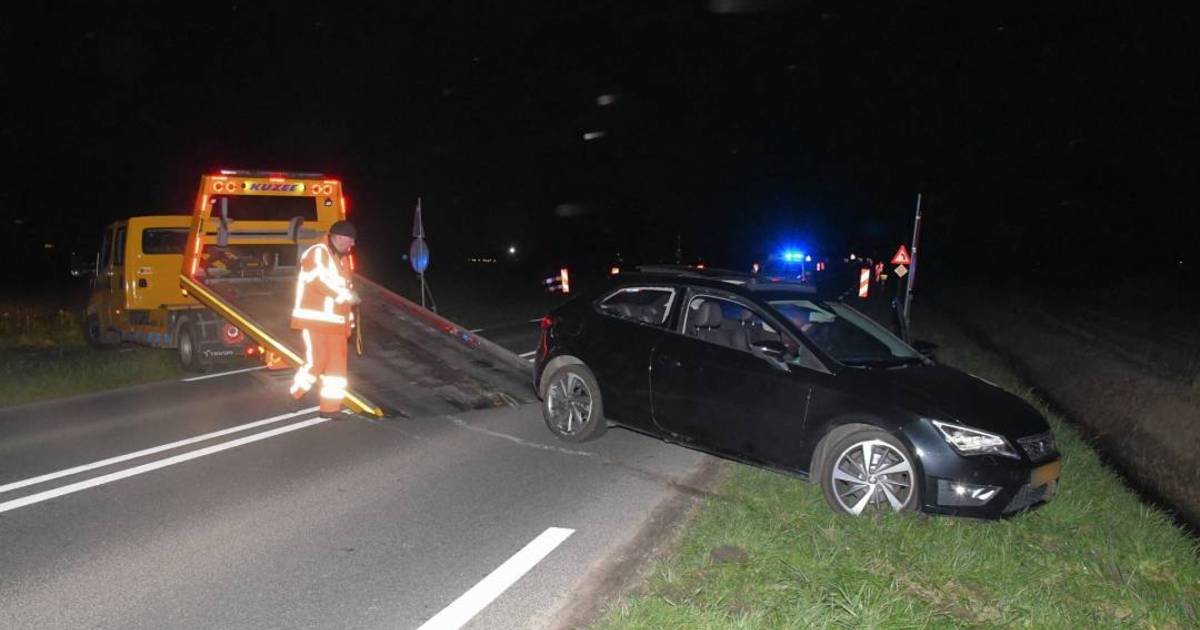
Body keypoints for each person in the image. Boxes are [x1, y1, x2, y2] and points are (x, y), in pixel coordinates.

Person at [289, 221, 360, 415]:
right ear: (338, 237)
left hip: (336, 323)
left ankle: (330, 408)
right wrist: (346, 296)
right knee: (317, 360)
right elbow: (319, 280)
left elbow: (345, 291)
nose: (352, 245)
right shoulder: (317, 252)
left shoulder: (342, 259)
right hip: (316, 320)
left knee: (337, 368)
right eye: (350, 240)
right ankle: (295, 394)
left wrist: (349, 323)